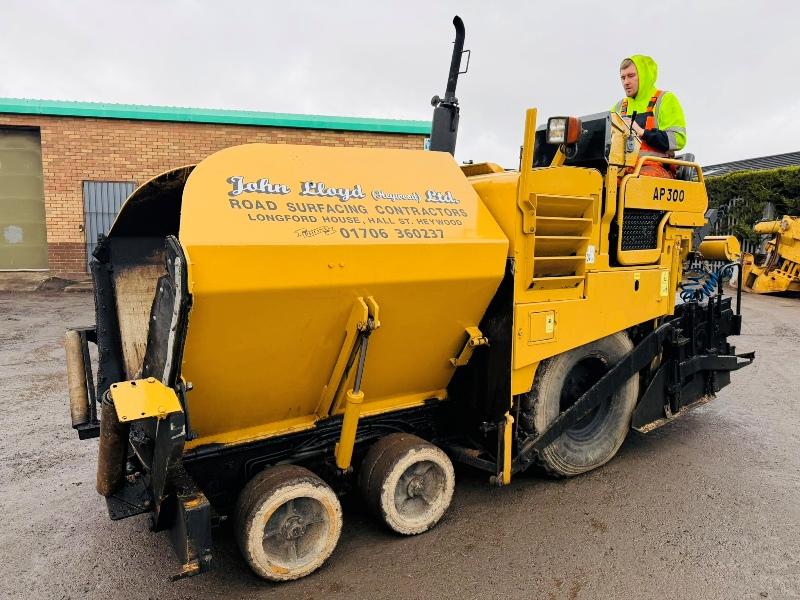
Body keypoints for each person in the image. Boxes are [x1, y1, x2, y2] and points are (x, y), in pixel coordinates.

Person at [614, 55, 687, 178]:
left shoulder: (665, 99)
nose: (626, 82)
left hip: (656, 168)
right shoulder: (619, 107)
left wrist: (642, 132)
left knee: (635, 182)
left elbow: (679, 139)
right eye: (623, 77)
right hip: (622, 170)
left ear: (644, 76)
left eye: (631, 76)